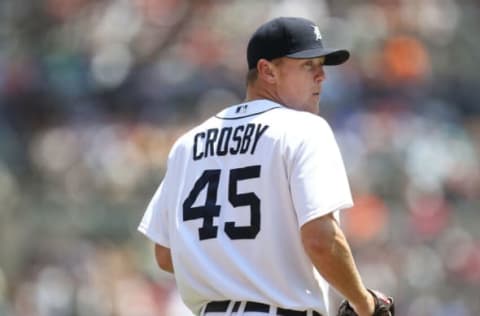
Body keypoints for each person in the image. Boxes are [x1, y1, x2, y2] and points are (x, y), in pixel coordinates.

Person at [138, 16, 393, 316]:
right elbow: (321, 239)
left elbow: (166, 254)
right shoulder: (303, 129)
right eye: (308, 65)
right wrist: (364, 303)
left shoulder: (188, 144)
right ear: (267, 71)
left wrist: (232, 270)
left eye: (322, 65)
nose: (322, 76)